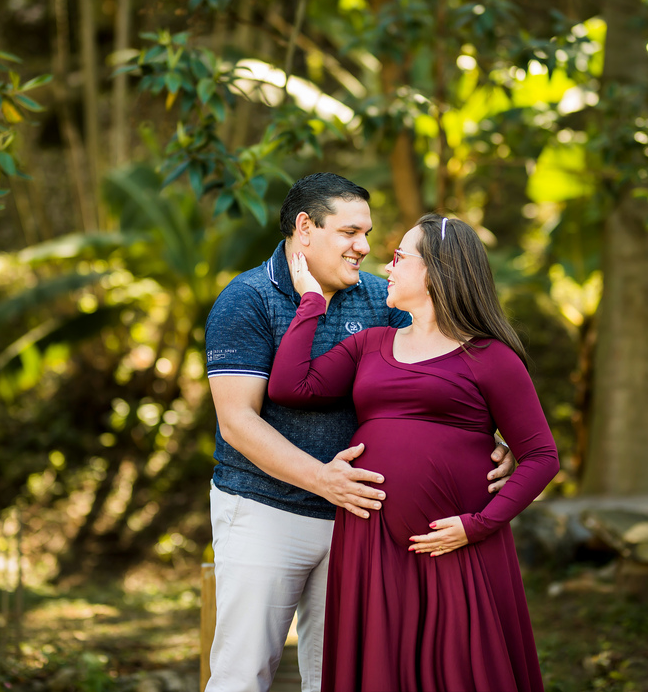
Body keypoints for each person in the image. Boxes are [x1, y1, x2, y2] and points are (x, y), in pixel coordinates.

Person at [204, 175, 515, 692]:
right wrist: (323, 479)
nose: (364, 247)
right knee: (243, 671)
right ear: (305, 228)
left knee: (339, 676)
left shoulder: (379, 296)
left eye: (367, 233)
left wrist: (487, 436)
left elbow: (440, 367)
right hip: (266, 511)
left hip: (360, 521)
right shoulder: (247, 299)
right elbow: (238, 422)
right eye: (350, 232)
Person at [268, 213, 560, 692]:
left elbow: (541, 456)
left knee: (462, 672)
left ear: (437, 270)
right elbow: (289, 385)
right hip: (372, 544)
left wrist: (476, 527)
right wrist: (312, 301)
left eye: (400, 256)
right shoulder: (371, 344)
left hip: (456, 545)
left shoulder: (491, 358)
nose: (387, 265)